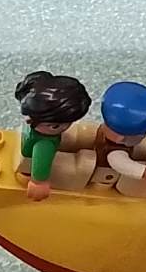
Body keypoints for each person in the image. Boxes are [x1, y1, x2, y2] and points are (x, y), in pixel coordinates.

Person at [14, 71, 94, 201]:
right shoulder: (44, 144)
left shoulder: (36, 128)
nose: (66, 127)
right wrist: (38, 183)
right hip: (28, 166)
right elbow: (41, 163)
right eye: (56, 125)